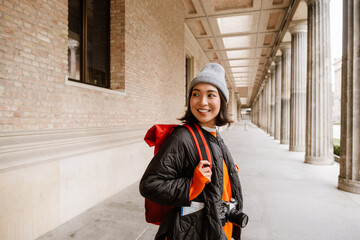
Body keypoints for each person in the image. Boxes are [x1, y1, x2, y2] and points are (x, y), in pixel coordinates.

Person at [139, 63, 244, 240]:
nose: (202, 102)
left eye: (211, 95)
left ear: (222, 101)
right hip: (192, 232)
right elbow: (150, 185)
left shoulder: (214, 135)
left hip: (217, 228)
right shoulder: (182, 138)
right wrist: (192, 185)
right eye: (196, 94)